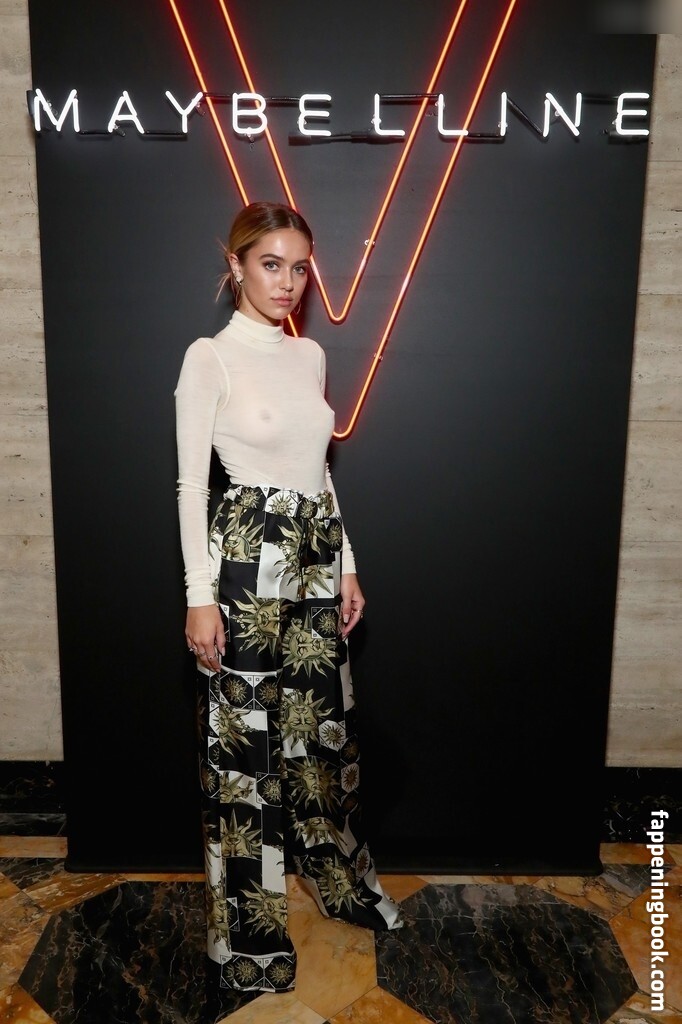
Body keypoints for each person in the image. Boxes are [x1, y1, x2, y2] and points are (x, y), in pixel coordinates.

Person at [174, 201, 402, 995]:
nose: (287, 282)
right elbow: (189, 486)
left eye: (300, 267)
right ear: (235, 264)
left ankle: (339, 883)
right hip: (244, 566)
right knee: (245, 758)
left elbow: (320, 474)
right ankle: (250, 940)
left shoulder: (310, 357)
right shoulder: (209, 357)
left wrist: (347, 564)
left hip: (313, 563)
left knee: (320, 741)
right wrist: (199, 595)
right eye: (271, 264)